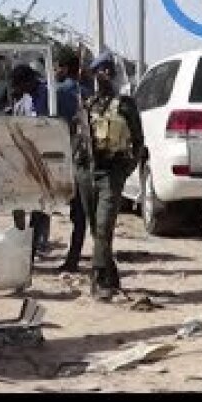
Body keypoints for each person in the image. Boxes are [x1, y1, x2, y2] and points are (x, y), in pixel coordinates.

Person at [75, 52, 144, 300]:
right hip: (87, 172)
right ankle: (111, 274)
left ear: (114, 74)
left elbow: (138, 142)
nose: (104, 75)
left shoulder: (125, 105)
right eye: (99, 71)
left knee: (104, 227)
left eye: (108, 70)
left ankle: (99, 279)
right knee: (96, 229)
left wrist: (125, 171)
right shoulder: (87, 104)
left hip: (112, 172)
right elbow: (77, 140)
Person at [9, 64, 51, 259]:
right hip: (24, 158)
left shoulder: (48, 94)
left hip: (43, 158)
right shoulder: (22, 103)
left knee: (41, 204)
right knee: (17, 200)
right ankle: (21, 237)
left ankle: (36, 243)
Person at [55, 52, 90, 273]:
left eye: (58, 67)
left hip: (61, 156)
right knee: (80, 214)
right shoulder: (87, 93)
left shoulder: (58, 92)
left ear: (66, 68)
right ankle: (74, 256)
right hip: (83, 158)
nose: (56, 71)